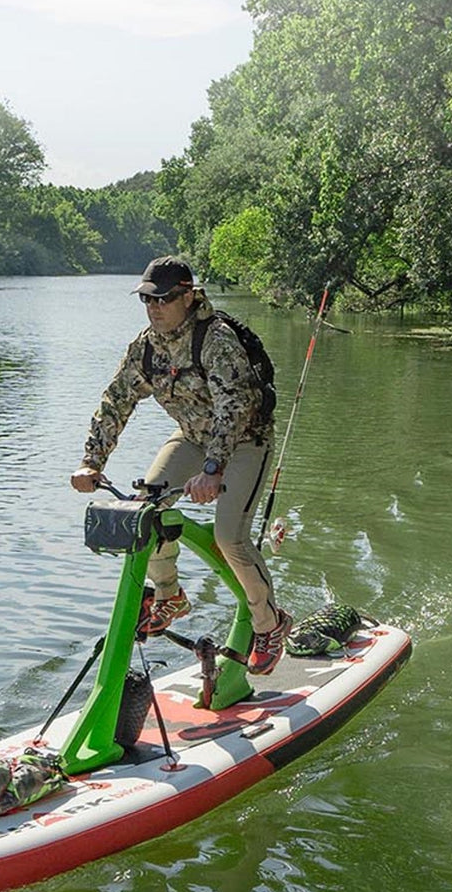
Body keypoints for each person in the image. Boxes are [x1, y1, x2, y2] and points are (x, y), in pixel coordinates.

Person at [71, 256, 293, 676]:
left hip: (245, 441)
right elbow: (115, 401)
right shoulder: (146, 347)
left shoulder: (216, 340)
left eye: (163, 299)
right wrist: (91, 461)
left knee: (231, 537)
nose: (154, 308)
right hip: (192, 438)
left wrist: (213, 469)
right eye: (147, 301)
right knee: (143, 511)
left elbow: (235, 405)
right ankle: (169, 594)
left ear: (188, 296)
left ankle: (269, 623)